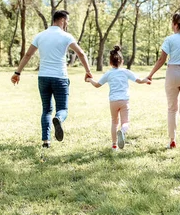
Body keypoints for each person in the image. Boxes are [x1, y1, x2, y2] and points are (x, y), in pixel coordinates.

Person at [11, 10, 92, 149]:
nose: (67, 24)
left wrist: (17, 72)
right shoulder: (66, 36)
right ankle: (59, 119)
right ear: (61, 20)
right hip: (60, 78)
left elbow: (28, 55)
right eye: (67, 21)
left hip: (43, 78)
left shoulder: (40, 36)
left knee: (46, 110)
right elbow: (81, 53)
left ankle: (46, 141)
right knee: (62, 109)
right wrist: (88, 72)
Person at [146, 10, 180, 149]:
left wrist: (150, 75)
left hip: (172, 73)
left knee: (172, 109)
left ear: (176, 24)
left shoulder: (169, 39)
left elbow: (161, 60)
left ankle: (172, 141)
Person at [86, 45, 151, 150]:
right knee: (125, 122)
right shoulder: (126, 72)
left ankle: (114, 145)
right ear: (122, 61)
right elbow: (139, 80)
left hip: (113, 101)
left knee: (114, 122)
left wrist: (89, 80)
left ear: (110, 62)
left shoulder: (108, 73)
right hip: (124, 101)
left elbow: (97, 84)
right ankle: (123, 131)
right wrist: (146, 80)